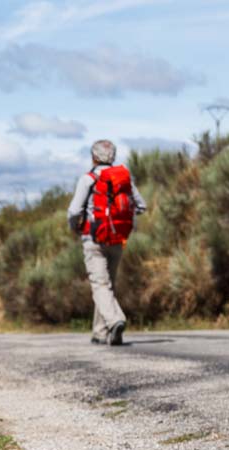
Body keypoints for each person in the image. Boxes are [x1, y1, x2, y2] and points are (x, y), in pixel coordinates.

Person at [67, 139, 146, 346]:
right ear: (113, 156)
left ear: (93, 157)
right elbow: (141, 205)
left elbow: (74, 211)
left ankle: (115, 320)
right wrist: (121, 218)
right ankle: (99, 332)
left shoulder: (88, 179)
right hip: (118, 239)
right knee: (107, 285)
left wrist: (76, 227)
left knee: (100, 285)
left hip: (94, 239)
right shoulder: (123, 179)